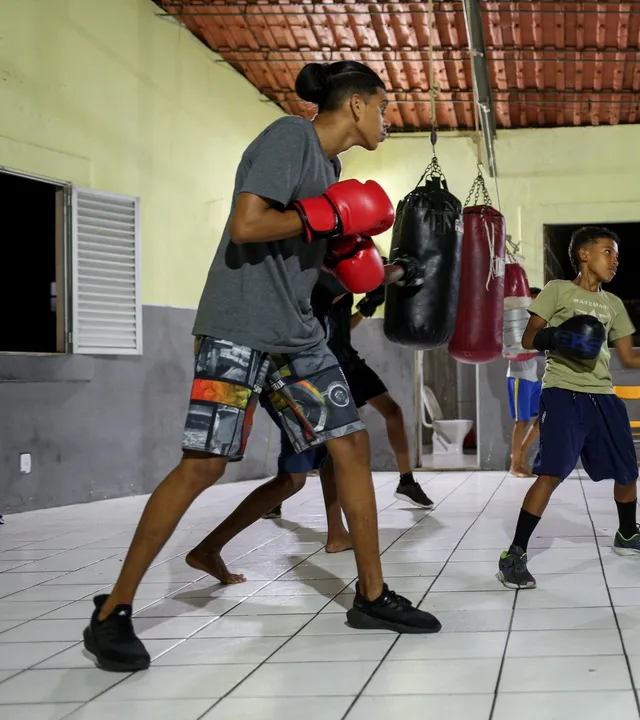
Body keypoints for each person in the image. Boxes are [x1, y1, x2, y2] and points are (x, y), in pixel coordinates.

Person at [83, 61, 441, 673]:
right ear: (355, 105)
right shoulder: (288, 138)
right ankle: (112, 612)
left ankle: (373, 596)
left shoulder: (330, 169)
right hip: (237, 328)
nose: (387, 119)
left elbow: (302, 248)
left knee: (351, 444)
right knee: (205, 464)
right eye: (383, 107)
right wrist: (324, 219)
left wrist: (350, 251)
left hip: (297, 334)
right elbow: (247, 225)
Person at [497, 226, 640, 589]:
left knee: (628, 471)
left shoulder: (613, 305)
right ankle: (514, 553)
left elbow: (627, 357)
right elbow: (529, 337)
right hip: (563, 392)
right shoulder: (557, 291)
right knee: (550, 473)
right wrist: (559, 338)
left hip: (603, 396)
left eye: (617, 254)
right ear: (584, 254)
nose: (615, 260)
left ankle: (627, 535)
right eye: (608, 252)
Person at [262, 277, 433, 527]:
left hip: (347, 360)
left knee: (392, 411)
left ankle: (406, 480)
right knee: (312, 439)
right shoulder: (320, 283)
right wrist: (397, 270)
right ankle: (279, 493)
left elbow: (342, 329)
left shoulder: (346, 285)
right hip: (323, 364)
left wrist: (364, 309)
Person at [507, 286, 544, 477]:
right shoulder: (516, 321)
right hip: (519, 377)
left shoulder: (536, 323)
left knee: (543, 418)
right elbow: (508, 346)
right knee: (521, 422)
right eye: (533, 299)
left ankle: (520, 455)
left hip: (533, 378)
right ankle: (515, 466)